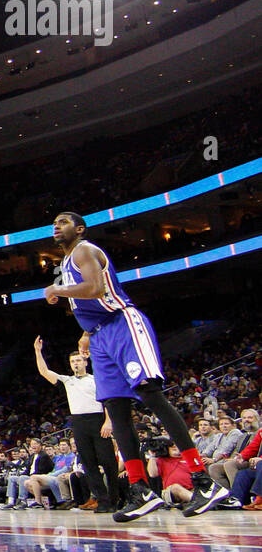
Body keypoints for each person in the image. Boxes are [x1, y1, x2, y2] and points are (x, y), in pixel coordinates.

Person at [46, 211, 228, 521]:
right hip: (101, 336)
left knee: (152, 396)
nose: (56, 226)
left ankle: (203, 479)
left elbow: (96, 289)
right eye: (54, 223)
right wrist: (86, 333)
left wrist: (58, 290)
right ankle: (140, 488)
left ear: (79, 228)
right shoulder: (63, 263)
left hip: (123, 325)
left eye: (63, 222)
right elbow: (89, 305)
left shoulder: (85, 250)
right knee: (116, 412)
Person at [34, 337, 120, 512]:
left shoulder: (96, 379)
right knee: (88, 464)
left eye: (78, 360)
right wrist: (37, 351)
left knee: (108, 461)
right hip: (79, 423)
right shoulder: (67, 381)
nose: (75, 364)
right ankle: (102, 501)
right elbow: (44, 371)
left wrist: (108, 421)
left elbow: (108, 401)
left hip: (98, 420)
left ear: (85, 362)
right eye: (72, 361)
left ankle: (115, 499)